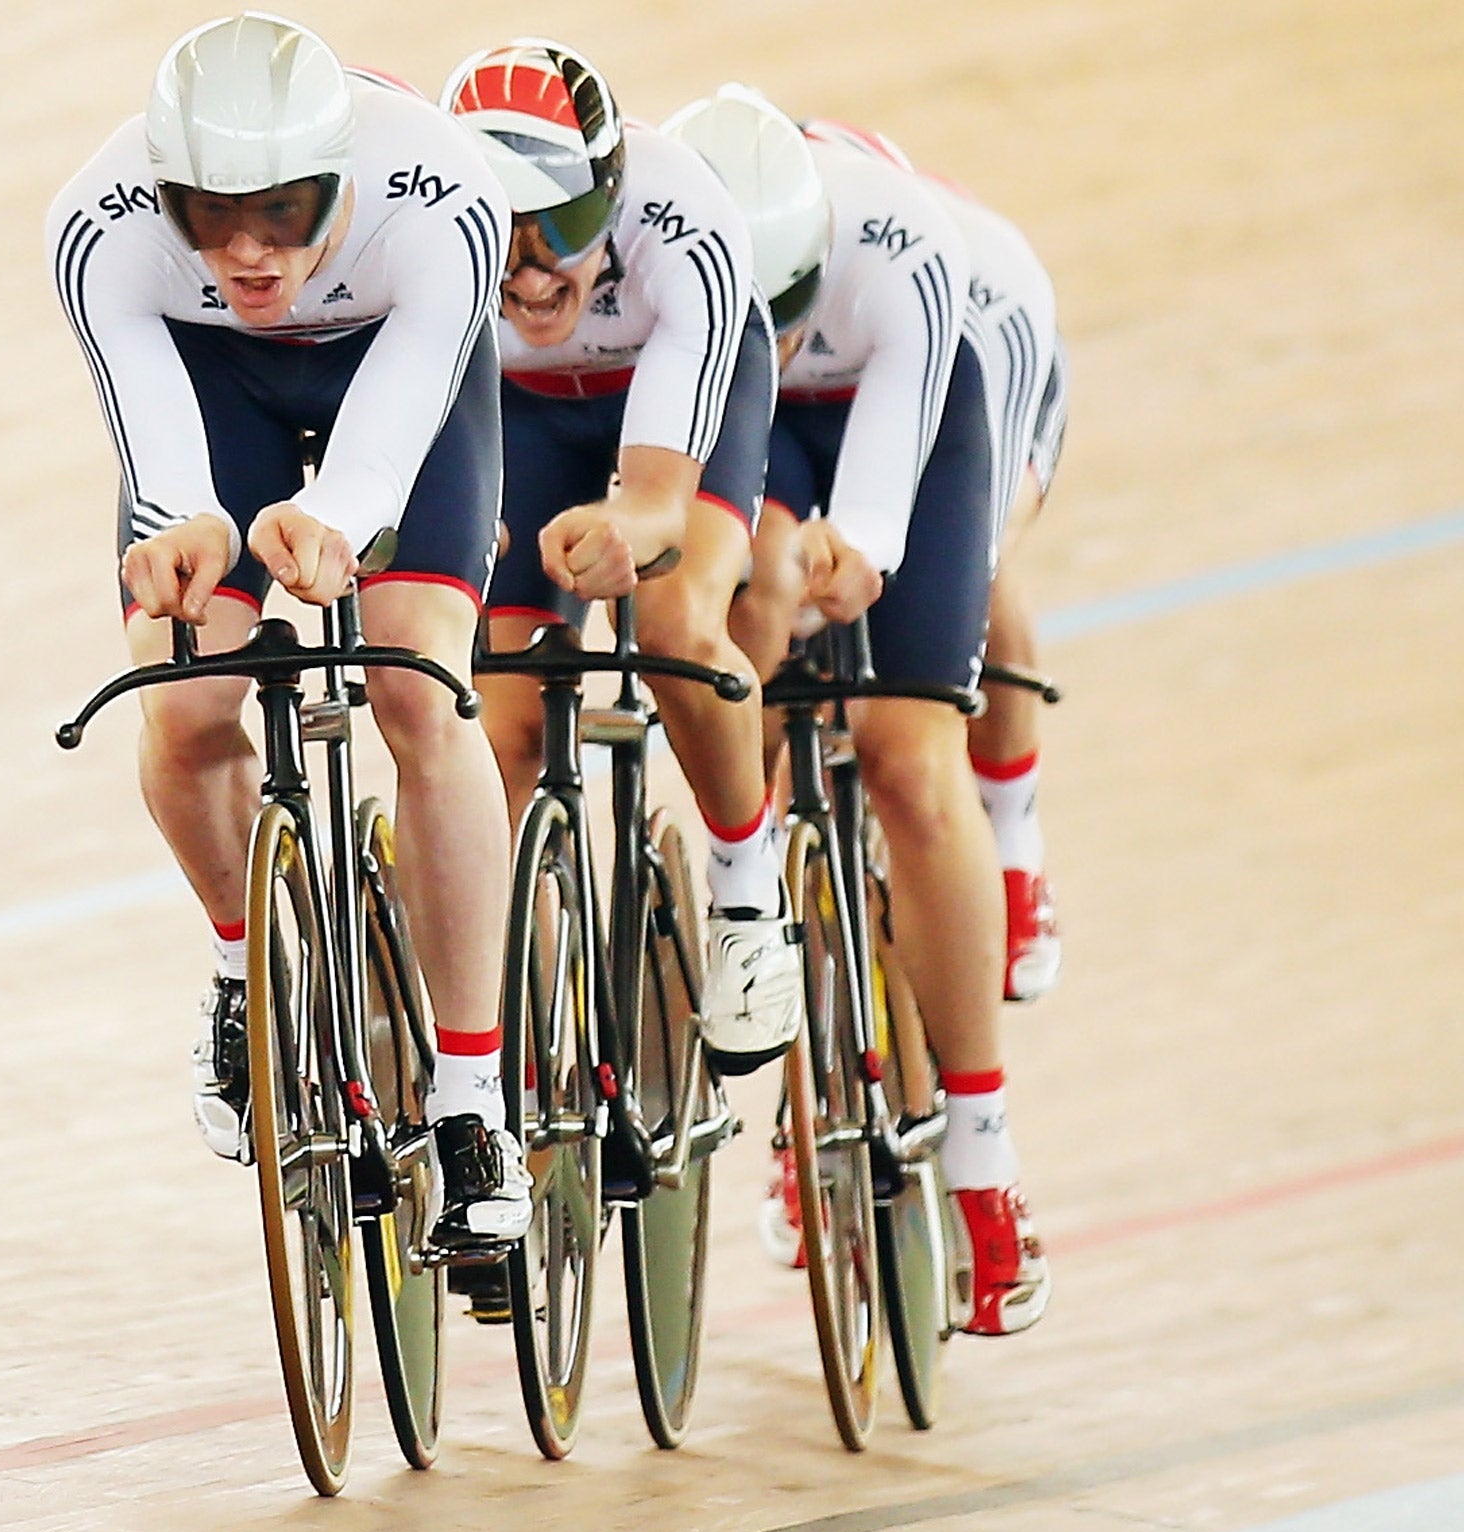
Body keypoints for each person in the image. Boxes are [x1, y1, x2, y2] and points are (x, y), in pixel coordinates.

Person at [45, 13, 528, 1244]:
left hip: (393, 372)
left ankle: (471, 1102)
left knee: (422, 687)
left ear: (342, 185)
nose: (249, 252)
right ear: (165, 194)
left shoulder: (445, 194)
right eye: (209, 218)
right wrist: (182, 523)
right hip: (214, 384)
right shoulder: (95, 226)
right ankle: (238, 964)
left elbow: (390, 440)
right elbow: (157, 445)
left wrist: (337, 520)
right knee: (187, 690)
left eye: (283, 213)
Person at [664, 84, 1050, 1335]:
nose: (764, 336)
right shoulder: (666, 252)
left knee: (902, 753)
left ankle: (984, 1167)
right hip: (757, 433)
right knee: (751, 631)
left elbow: (881, 510)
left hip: (921, 408)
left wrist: (862, 553)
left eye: (777, 313)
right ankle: (784, 1033)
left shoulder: (905, 249)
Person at [441, 41, 802, 1076]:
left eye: (558, 226)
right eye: (499, 234)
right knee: (498, 714)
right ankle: (496, 1017)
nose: (528, 267)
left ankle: (744, 899)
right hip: (522, 415)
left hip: (681, 392)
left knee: (681, 625)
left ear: (609, 194)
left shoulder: (682, 218)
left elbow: (654, 505)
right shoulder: (428, 238)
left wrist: (630, 533)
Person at [802, 120, 1069, 1003]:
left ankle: (1015, 847)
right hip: (831, 384)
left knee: (978, 573)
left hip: (985, 389)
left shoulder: (984, 276)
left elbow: (972, 513)